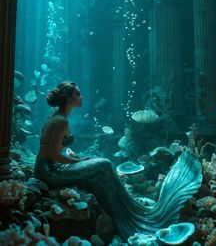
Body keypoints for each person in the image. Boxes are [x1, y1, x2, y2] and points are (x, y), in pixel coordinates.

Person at [34, 81, 202, 241]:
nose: (81, 96)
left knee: (98, 173)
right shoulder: (61, 121)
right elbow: (52, 154)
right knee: (104, 164)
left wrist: (77, 159)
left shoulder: (58, 116)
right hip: (49, 172)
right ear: (68, 98)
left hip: (49, 167)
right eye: (78, 94)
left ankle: (122, 212)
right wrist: (75, 162)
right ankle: (128, 214)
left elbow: (53, 150)